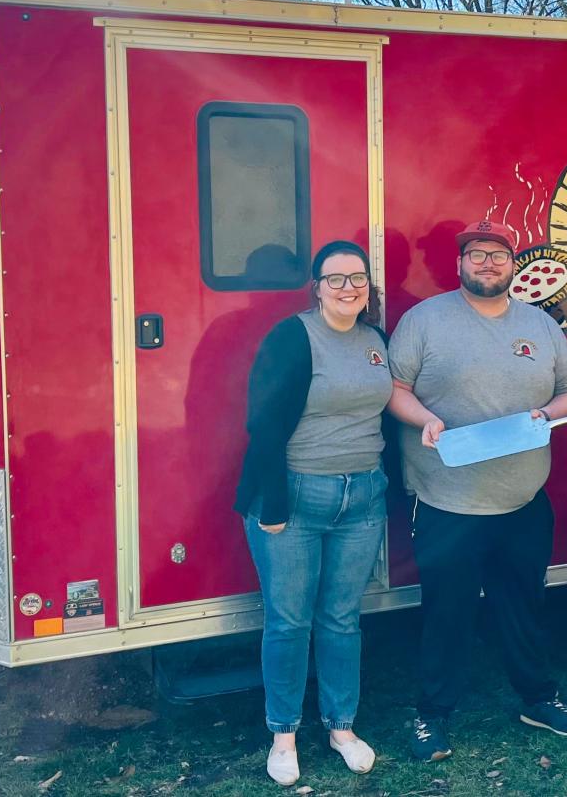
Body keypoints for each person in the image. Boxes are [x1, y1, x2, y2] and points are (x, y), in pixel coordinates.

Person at [387, 219, 567, 762]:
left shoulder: (540, 326)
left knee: (523, 607)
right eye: (477, 255)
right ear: (460, 264)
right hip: (448, 502)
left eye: (498, 255)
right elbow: (394, 389)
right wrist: (425, 418)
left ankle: (538, 699)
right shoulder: (424, 321)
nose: (488, 264)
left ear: (513, 265)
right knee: (447, 613)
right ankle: (433, 715)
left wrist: (547, 412)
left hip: (523, 501)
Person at [235, 240, 392, 786]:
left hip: (363, 499)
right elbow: (266, 423)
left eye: (357, 278)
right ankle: (283, 735)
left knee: (341, 619)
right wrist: (273, 505)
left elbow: (389, 412)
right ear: (317, 287)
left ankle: (341, 727)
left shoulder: (377, 340)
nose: (348, 288)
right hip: (296, 498)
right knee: (288, 621)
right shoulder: (293, 337)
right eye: (336, 279)